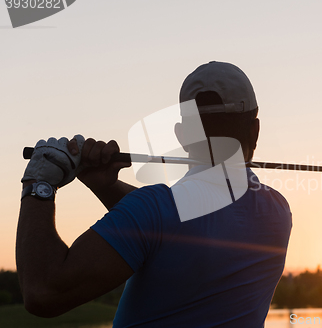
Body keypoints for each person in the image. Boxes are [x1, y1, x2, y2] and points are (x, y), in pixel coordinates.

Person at [17, 61, 292, 327]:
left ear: (182, 136)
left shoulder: (154, 210)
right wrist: (106, 186)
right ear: (255, 131)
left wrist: (39, 182)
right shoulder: (277, 212)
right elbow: (174, 227)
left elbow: (44, 293)